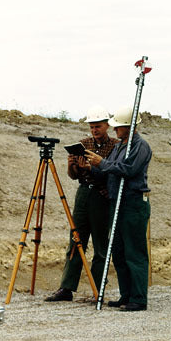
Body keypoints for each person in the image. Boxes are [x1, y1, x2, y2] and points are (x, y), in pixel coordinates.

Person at [45, 107, 118, 302]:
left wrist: (91, 168)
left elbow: (112, 175)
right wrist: (72, 165)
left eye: (98, 126)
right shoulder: (83, 144)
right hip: (84, 193)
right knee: (76, 239)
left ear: (107, 126)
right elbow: (74, 176)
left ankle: (97, 288)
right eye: (92, 127)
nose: (95, 130)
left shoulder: (115, 147)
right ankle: (67, 287)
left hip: (102, 196)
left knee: (101, 244)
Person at [85, 105, 152, 311]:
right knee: (120, 252)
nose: (115, 131)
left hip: (133, 203)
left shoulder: (140, 146)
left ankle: (139, 298)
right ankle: (127, 295)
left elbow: (128, 170)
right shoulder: (120, 145)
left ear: (129, 127)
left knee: (134, 251)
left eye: (118, 127)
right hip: (118, 202)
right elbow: (110, 172)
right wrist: (91, 167)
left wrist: (102, 162)